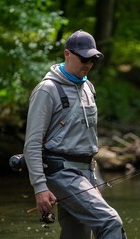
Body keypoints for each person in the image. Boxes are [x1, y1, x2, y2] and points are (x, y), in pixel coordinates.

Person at [23, 29, 127, 239]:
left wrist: (93, 182)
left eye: (92, 59)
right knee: (110, 221)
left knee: (76, 234)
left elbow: (86, 141)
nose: (88, 64)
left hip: (86, 174)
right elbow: (32, 144)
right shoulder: (47, 90)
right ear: (67, 54)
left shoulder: (89, 87)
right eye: (84, 58)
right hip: (60, 172)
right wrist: (40, 188)